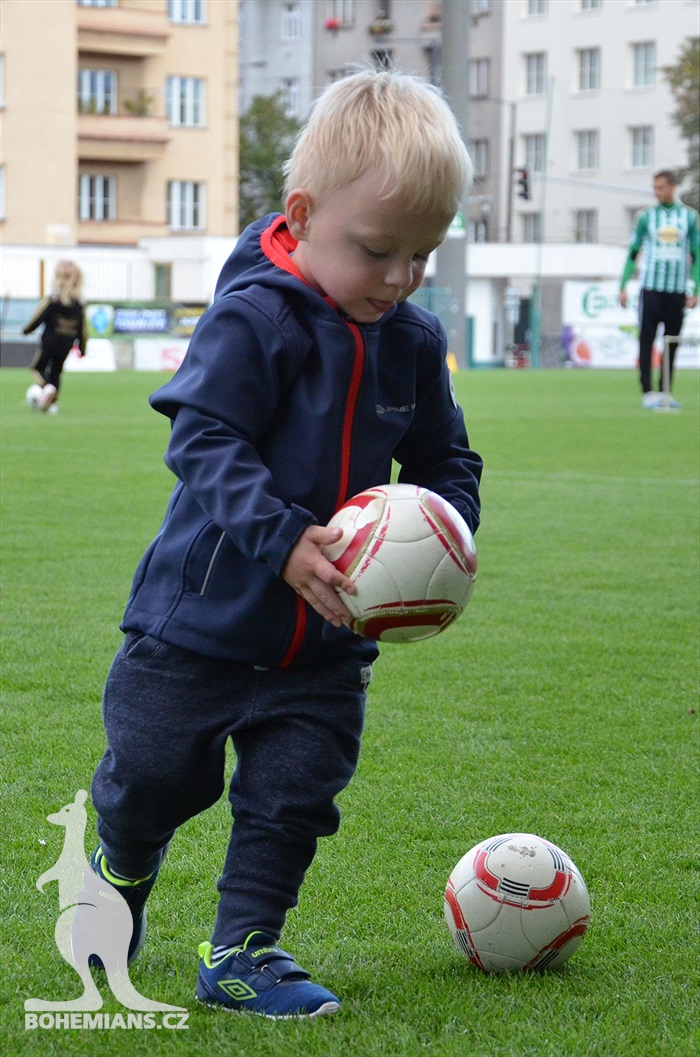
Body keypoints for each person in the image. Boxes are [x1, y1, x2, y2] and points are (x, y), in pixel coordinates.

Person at [87, 70, 483, 1019]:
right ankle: (120, 871)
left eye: (424, 256)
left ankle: (242, 949)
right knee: (151, 780)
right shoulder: (254, 318)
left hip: (325, 643)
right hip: (201, 625)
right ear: (301, 216)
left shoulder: (413, 343)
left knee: (294, 794)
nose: (401, 278)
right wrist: (284, 538)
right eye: (380, 250)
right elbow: (201, 438)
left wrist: (445, 537)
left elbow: (445, 456)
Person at [619, 169, 699, 409]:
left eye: (661, 187)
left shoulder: (689, 217)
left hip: (676, 290)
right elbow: (633, 252)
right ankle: (647, 392)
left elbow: (696, 254)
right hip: (651, 288)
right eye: (655, 187)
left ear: (673, 187)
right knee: (646, 338)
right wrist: (623, 284)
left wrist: (695, 288)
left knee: (671, 341)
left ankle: (665, 392)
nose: (657, 192)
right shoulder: (646, 217)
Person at [23, 260, 87, 413]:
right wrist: (83, 349)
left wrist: (26, 330)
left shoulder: (52, 300)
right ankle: (52, 404)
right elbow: (83, 330)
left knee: (37, 368)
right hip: (66, 344)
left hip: (49, 342)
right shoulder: (78, 304)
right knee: (56, 371)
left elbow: (37, 318)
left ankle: (47, 388)